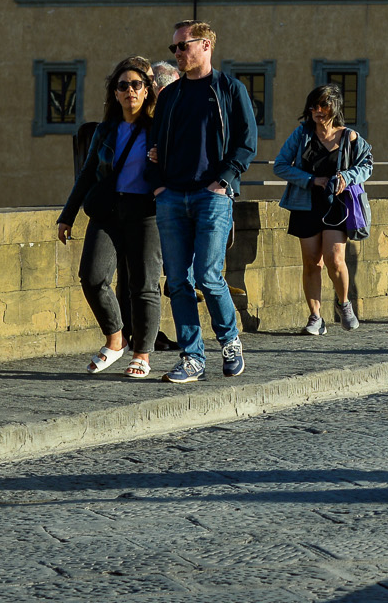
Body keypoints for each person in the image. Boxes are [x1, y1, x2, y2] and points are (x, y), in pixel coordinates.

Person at [151, 22, 258, 382]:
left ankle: (230, 341)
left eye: (183, 46)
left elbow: (247, 141)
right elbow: (152, 149)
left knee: (208, 276)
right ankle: (192, 356)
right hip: (171, 197)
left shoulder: (229, 89)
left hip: (212, 196)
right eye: (175, 48)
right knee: (177, 280)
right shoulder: (169, 96)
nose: (178, 53)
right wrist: (158, 187)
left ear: (206, 45)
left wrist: (224, 181)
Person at [57, 55, 164, 377]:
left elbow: (183, 167)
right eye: (122, 86)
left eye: (136, 84)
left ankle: (142, 354)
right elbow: (87, 174)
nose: (129, 90)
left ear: (147, 91)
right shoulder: (105, 130)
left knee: (144, 285)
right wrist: (67, 215)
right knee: (92, 277)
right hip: (107, 210)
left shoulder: (159, 129)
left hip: (146, 212)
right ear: (115, 93)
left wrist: (163, 159)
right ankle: (116, 339)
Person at [273, 84, 374, 334]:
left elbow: (368, 165)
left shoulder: (350, 137)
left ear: (335, 107)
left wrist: (347, 177)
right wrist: (310, 180)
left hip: (337, 206)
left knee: (334, 260)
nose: (317, 111)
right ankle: (315, 317)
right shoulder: (302, 134)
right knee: (311, 262)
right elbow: (281, 165)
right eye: (313, 106)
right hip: (305, 204)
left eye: (323, 105)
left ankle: (344, 303)